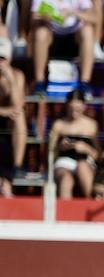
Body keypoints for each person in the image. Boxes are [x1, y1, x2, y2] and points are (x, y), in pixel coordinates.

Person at [30, 0, 98, 93]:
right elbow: (34, 17)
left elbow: (94, 17)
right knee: (41, 32)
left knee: (87, 30)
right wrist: (44, 17)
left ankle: (84, 82)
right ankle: (39, 82)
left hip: (74, 37)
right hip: (52, 36)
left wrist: (73, 13)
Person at [48, 88, 100, 198]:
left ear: (84, 106)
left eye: (77, 109)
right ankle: (65, 207)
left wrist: (87, 149)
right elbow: (50, 153)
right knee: (66, 179)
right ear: (67, 106)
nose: (74, 112)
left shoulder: (92, 125)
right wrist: (60, 147)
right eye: (71, 109)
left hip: (86, 161)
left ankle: (90, 202)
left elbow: (98, 155)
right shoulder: (59, 124)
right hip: (64, 161)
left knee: (82, 166)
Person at [0, 37, 26, 197]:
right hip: (3, 115)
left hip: (8, 122)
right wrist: (3, 111)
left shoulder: (17, 75)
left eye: (2, 58)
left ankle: (17, 166)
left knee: (20, 117)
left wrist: (11, 80)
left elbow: (18, 106)